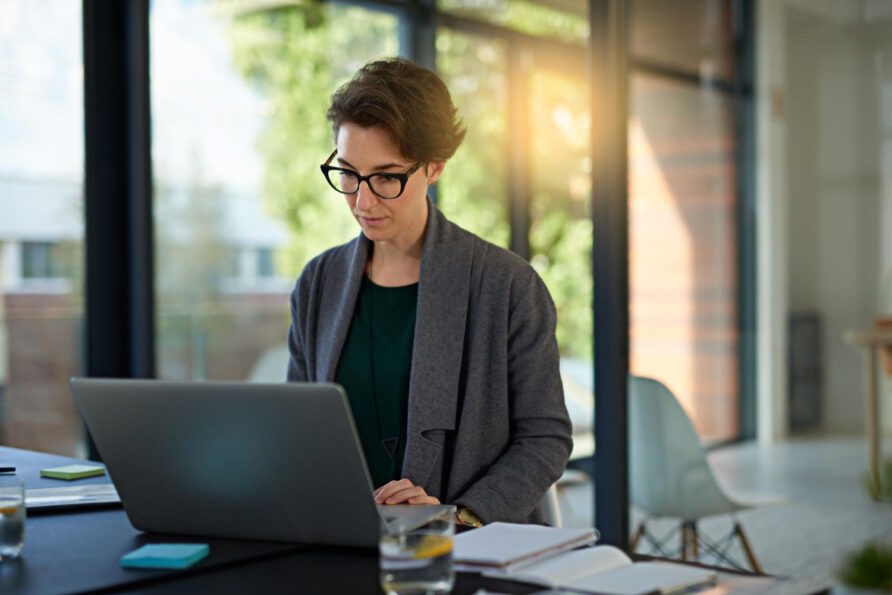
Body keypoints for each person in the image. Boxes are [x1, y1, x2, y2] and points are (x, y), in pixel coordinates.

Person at [287, 57, 572, 525]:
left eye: (386, 177)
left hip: (464, 554)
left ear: (435, 167)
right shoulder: (318, 283)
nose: (362, 200)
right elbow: (297, 428)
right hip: (341, 540)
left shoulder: (508, 287)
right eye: (348, 173)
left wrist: (455, 516)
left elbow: (545, 438)